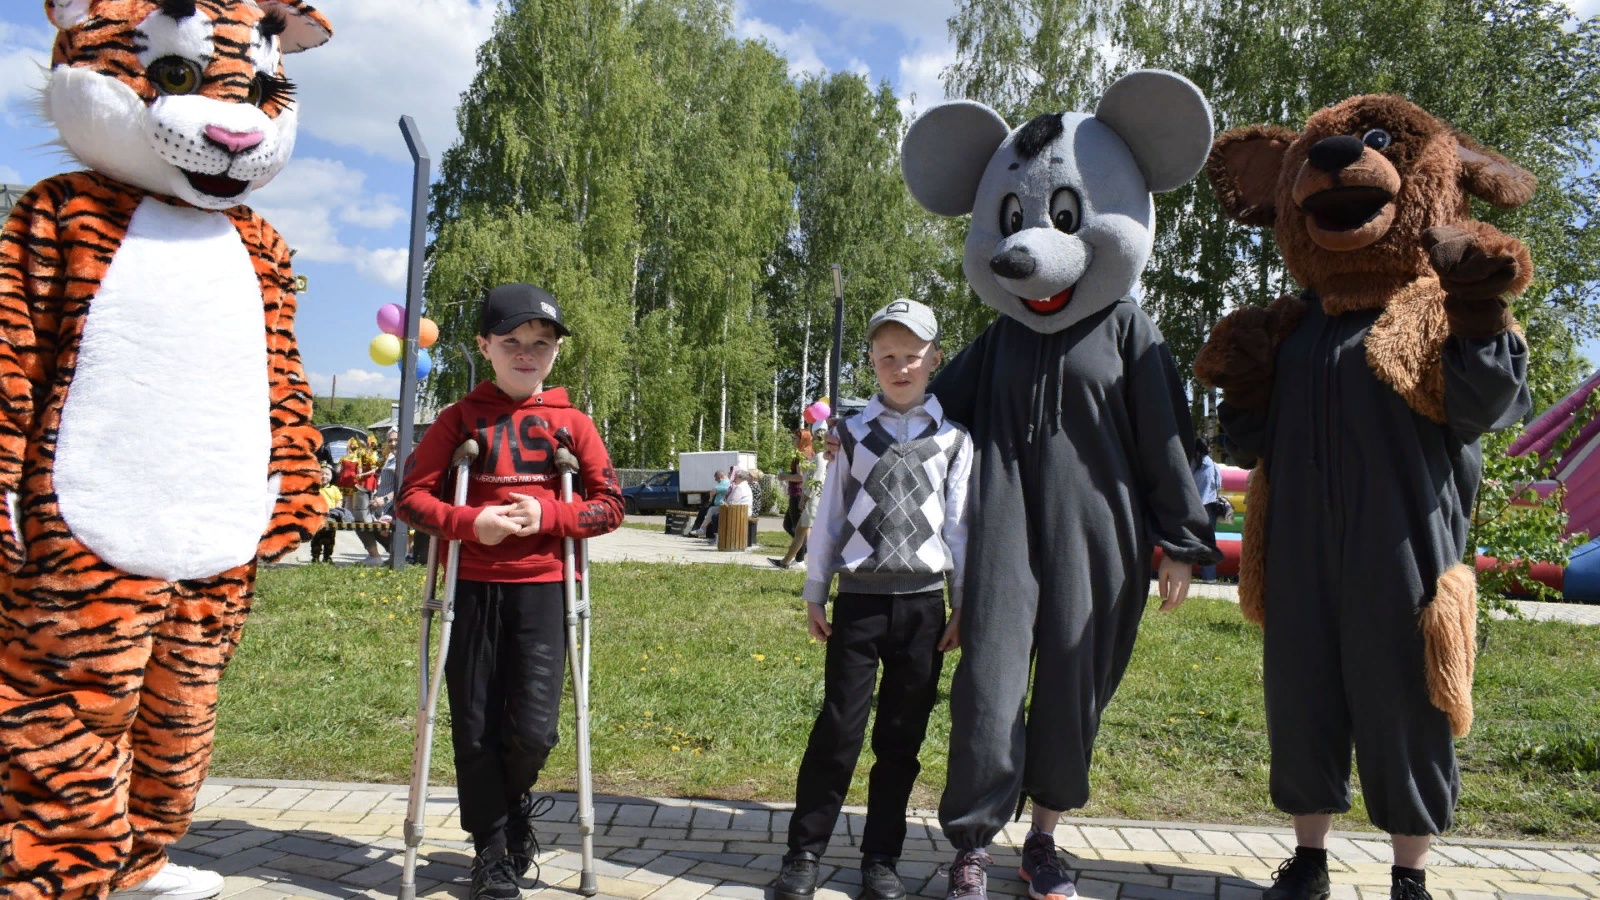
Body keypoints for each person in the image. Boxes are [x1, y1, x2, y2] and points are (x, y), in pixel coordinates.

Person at [397, 282, 625, 900]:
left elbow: (609, 506)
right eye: (512, 342)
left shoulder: (573, 424)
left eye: (541, 344)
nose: (527, 354)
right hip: (471, 589)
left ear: (555, 352)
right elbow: (410, 499)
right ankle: (492, 850)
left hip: (544, 590)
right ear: (484, 346)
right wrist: (472, 523)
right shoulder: (459, 419)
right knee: (473, 726)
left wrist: (549, 514)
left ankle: (513, 800)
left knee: (534, 731)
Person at [772, 299, 970, 900]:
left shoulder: (955, 439)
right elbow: (830, 517)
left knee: (901, 741)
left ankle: (881, 859)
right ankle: (803, 854)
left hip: (923, 609)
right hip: (857, 604)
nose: (899, 367)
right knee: (838, 730)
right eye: (887, 356)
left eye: (912, 355)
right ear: (871, 361)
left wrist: (961, 602)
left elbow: (959, 525)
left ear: (934, 359)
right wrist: (815, 591)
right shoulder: (851, 435)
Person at [771, 427, 827, 569]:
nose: (813, 442)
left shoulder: (818, 457)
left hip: (811, 499)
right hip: (807, 497)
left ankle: (801, 560)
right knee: (798, 530)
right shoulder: (817, 456)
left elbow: (814, 480)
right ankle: (788, 561)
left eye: (815, 439)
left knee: (801, 531)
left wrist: (804, 498)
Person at [1190, 437, 1221, 582]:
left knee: (1188, 539)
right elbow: (1218, 486)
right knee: (1209, 543)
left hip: (1192, 506)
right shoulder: (1214, 466)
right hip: (1209, 507)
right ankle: (1209, 577)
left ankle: (1184, 574)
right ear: (1207, 448)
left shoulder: (1190, 465)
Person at [781, 430, 813, 563]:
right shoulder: (805, 453)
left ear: (803, 440)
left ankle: (799, 559)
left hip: (798, 494)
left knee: (797, 528)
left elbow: (800, 477)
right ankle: (805, 550)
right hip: (796, 493)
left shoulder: (803, 454)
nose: (793, 440)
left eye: (795, 438)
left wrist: (785, 477)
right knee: (789, 525)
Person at [706, 468, 761, 543]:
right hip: (742, 511)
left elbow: (732, 503)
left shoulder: (739, 488)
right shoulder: (745, 486)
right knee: (716, 513)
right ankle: (718, 537)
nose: (734, 478)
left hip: (738, 513)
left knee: (715, 517)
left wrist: (725, 503)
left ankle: (718, 538)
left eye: (735, 477)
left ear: (740, 478)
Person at [311, 465, 344, 563]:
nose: (324, 476)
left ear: (332, 476)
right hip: (318, 515)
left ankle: (327, 556)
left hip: (331, 515)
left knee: (330, 539)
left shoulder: (334, 488)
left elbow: (339, 500)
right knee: (316, 539)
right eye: (321, 474)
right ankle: (315, 556)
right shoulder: (315, 488)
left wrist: (337, 509)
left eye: (327, 474)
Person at [687, 470, 730, 537]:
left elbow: (714, 490)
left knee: (710, 511)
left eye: (716, 478)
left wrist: (710, 498)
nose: (715, 480)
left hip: (721, 505)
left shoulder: (724, 482)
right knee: (710, 511)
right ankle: (703, 529)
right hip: (721, 505)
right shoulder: (726, 482)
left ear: (720, 477)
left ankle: (703, 529)